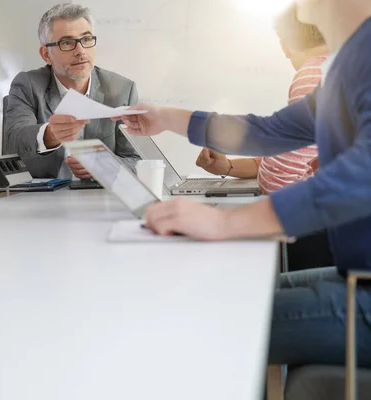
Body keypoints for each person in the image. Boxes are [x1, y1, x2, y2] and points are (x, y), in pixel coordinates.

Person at [116, 0, 371, 369]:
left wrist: (223, 223)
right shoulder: (350, 63)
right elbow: (268, 131)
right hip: (356, 277)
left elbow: (361, 177)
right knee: (225, 294)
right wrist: (167, 118)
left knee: (191, 319)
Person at [199, 5, 334, 271]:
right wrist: (226, 167)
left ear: (288, 43)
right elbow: (287, 158)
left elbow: (275, 182)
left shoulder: (312, 75)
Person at [3, 3, 140, 179]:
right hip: (44, 199)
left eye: (86, 39)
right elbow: (14, 141)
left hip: (101, 198)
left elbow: (137, 161)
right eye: (67, 43)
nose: (81, 51)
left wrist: (106, 166)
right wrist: (50, 135)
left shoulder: (122, 90)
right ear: (46, 54)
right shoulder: (28, 85)